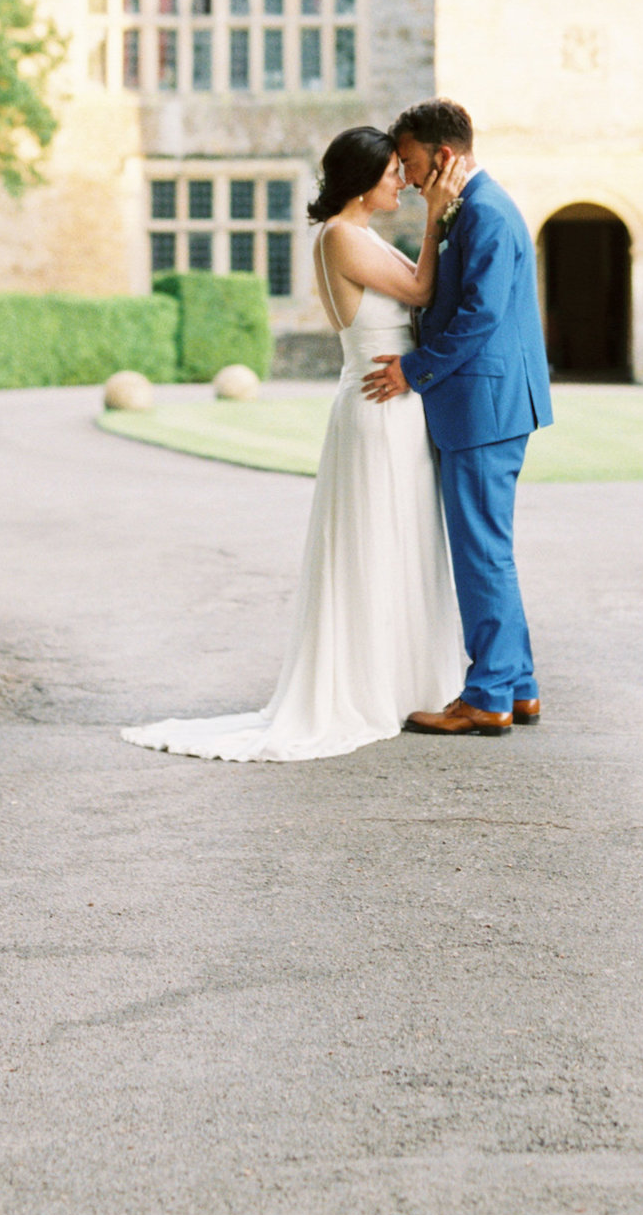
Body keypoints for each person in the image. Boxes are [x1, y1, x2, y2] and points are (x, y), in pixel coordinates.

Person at [119, 124, 468, 762]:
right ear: (364, 182)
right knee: (374, 544)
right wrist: (436, 214)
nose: (404, 180)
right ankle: (369, 687)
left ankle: (405, 680)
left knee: (404, 543)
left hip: (394, 405)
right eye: (395, 171)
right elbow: (421, 290)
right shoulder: (340, 235)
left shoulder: (358, 234)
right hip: (376, 409)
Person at [363, 97, 553, 736]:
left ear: (443, 156)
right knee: (488, 550)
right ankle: (518, 686)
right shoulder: (465, 210)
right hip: (483, 403)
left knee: (481, 555)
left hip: (484, 406)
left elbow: (481, 315)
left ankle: (489, 695)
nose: (409, 177)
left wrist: (411, 371)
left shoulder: (488, 215)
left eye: (413, 164)